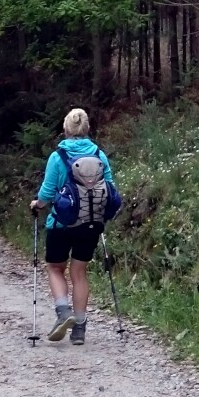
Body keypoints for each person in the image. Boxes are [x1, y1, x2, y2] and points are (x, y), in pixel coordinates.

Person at [30, 108, 116, 345]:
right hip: (90, 223)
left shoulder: (58, 156)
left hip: (61, 223)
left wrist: (37, 204)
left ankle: (63, 312)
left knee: (55, 268)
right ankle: (79, 328)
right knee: (79, 272)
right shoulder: (100, 155)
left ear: (65, 130)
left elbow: (47, 193)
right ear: (87, 129)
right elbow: (110, 188)